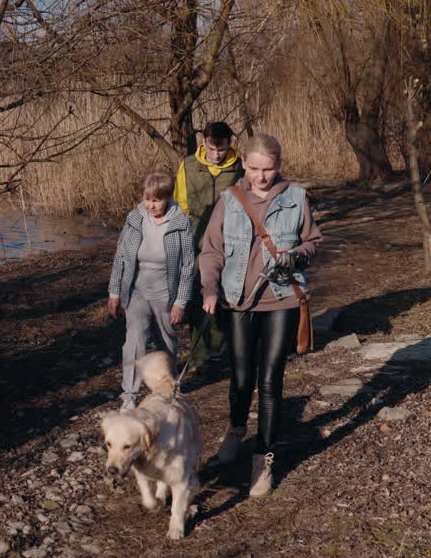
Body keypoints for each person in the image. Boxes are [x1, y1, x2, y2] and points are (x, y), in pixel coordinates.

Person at [199, 134, 322, 496]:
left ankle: (262, 459)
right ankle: (237, 428)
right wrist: (209, 289)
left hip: (281, 299)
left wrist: (297, 255)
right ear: (244, 165)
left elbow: (313, 241)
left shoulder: (297, 197)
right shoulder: (229, 200)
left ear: (278, 166)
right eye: (254, 168)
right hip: (238, 300)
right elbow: (211, 251)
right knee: (240, 377)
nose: (261, 177)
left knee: (270, 380)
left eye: (268, 169)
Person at [108, 171, 196, 411]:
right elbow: (121, 257)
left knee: (167, 341)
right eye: (147, 199)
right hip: (136, 287)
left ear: (167, 197)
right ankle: (130, 394)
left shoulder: (181, 222)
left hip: (166, 289)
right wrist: (114, 292)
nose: (151, 205)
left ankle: (169, 389)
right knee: (134, 340)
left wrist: (180, 301)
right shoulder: (135, 218)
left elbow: (188, 265)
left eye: (156, 200)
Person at [176, 122, 244, 374]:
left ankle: (220, 346)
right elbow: (180, 204)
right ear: (204, 142)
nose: (217, 155)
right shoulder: (188, 165)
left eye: (222, 149)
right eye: (212, 148)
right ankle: (199, 353)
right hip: (195, 240)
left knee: (226, 293)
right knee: (197, 296)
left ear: (229, 144)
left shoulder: (240, 168)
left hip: (231, 240)